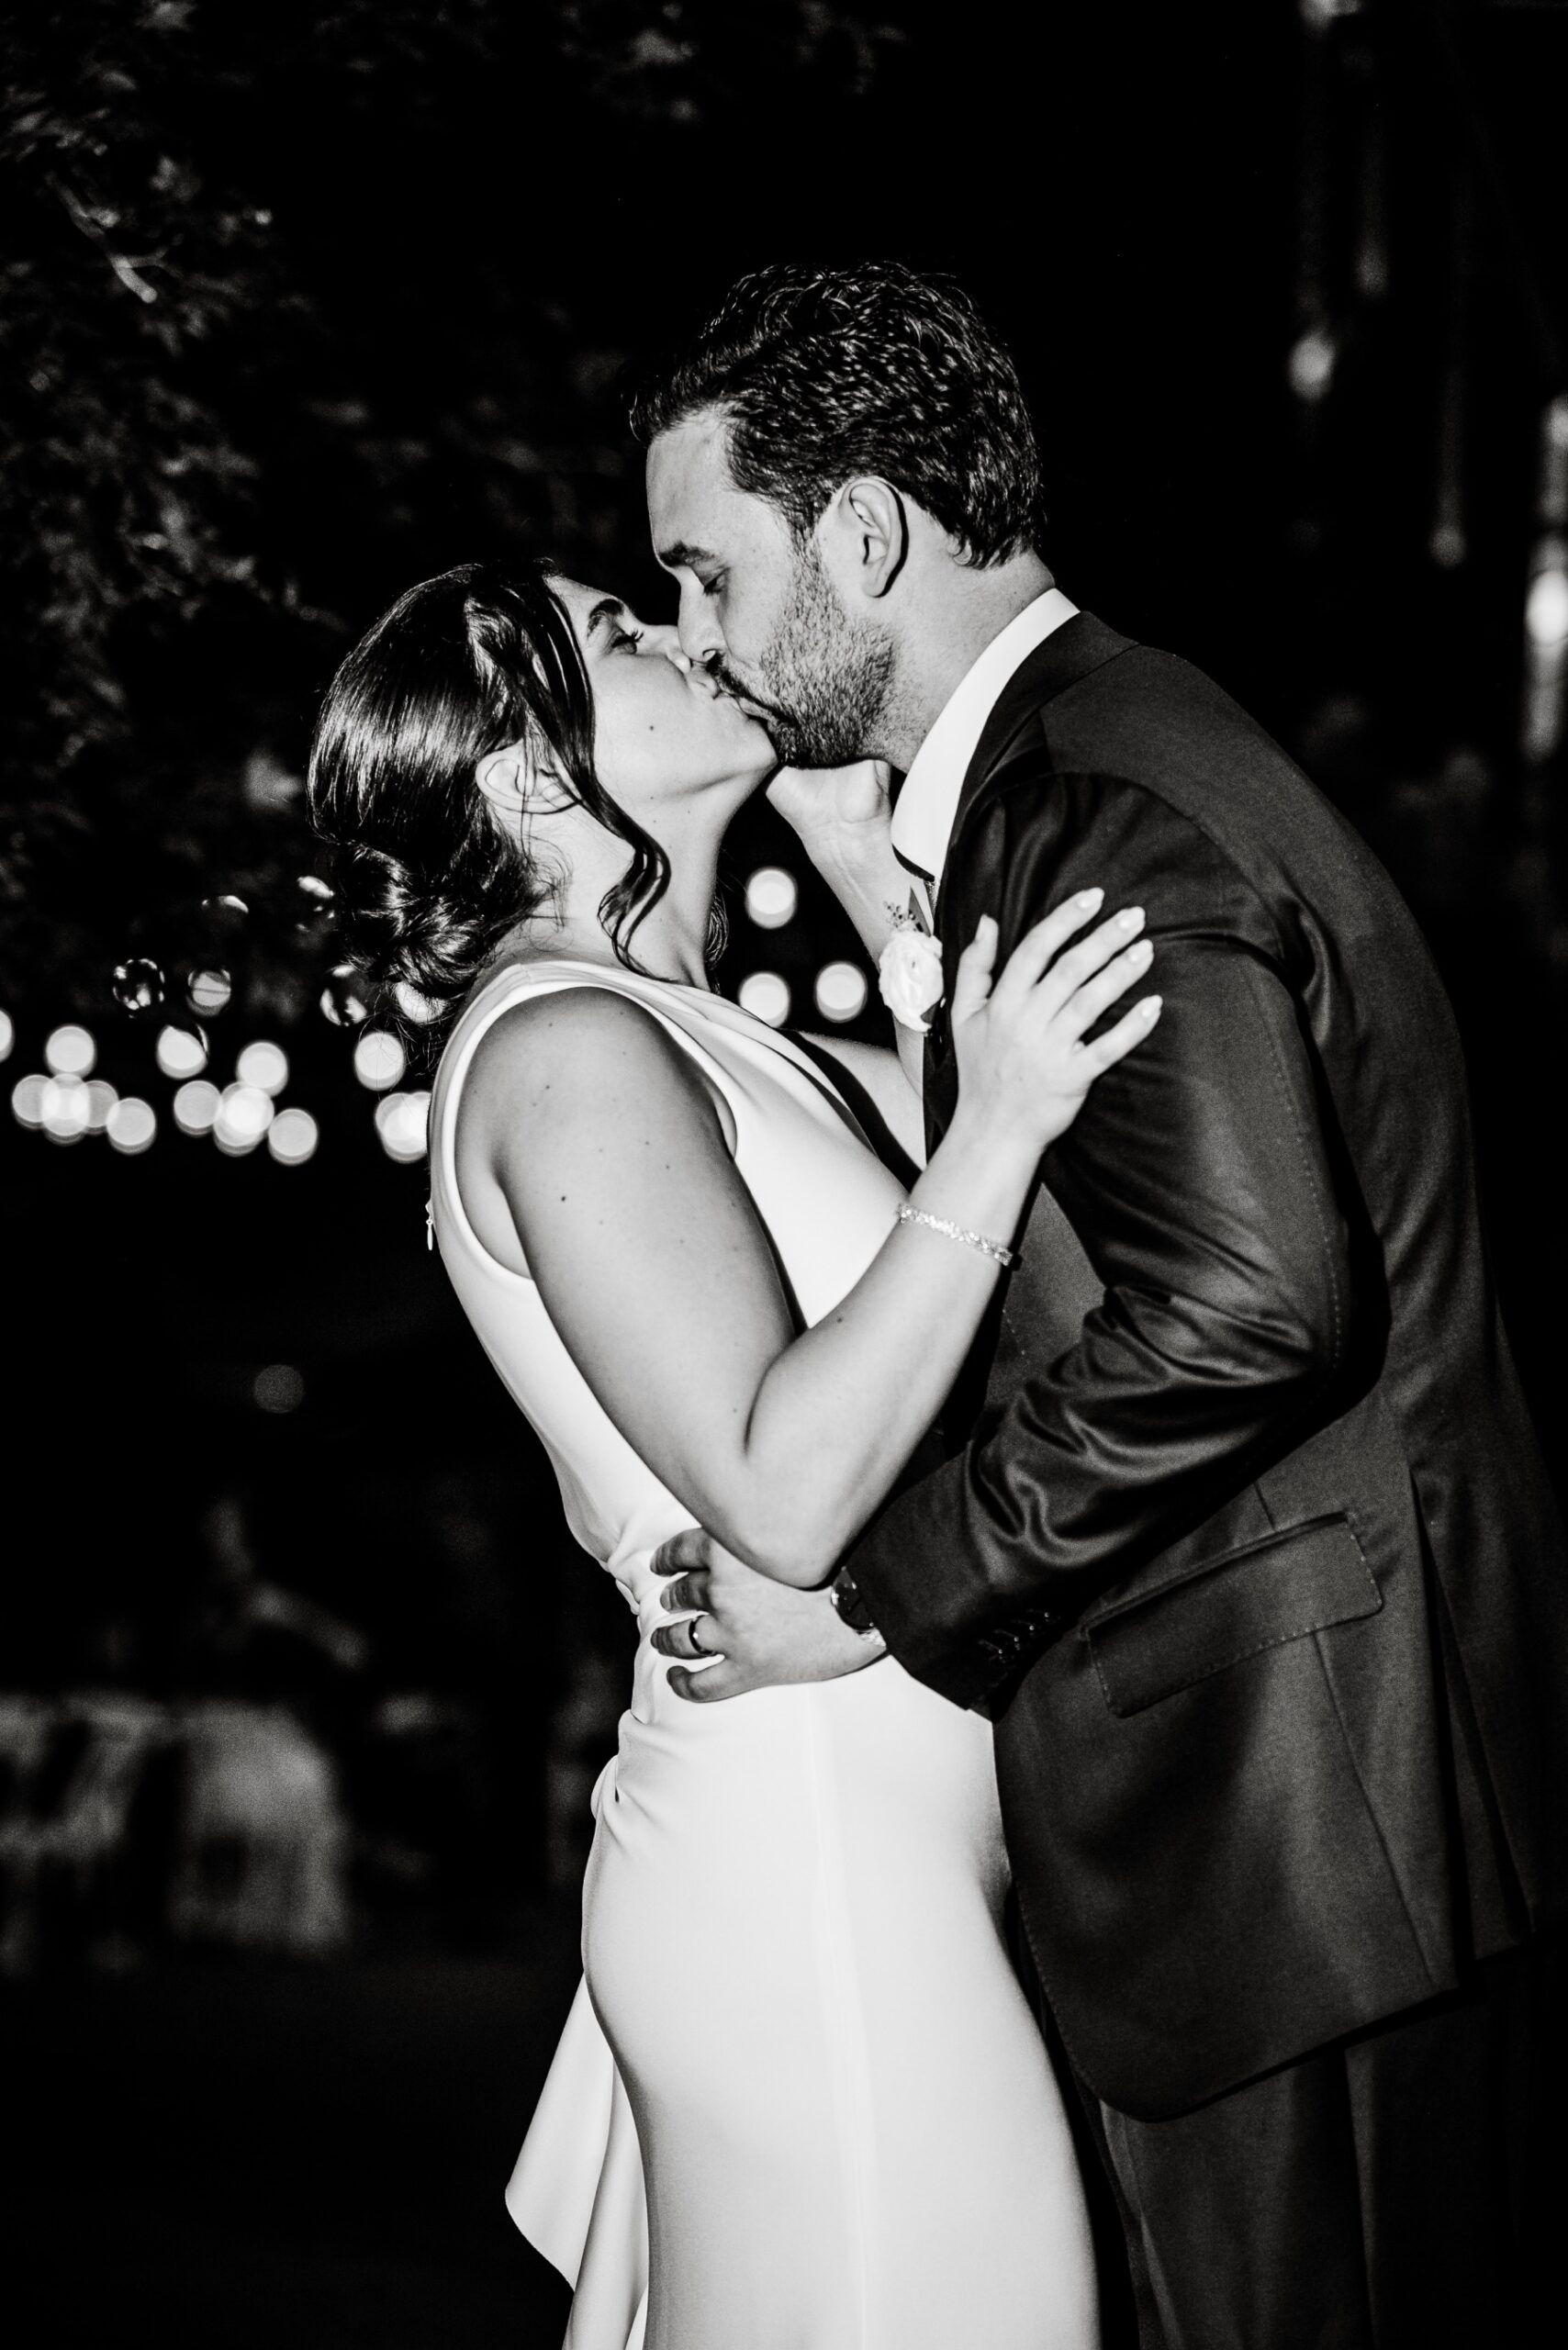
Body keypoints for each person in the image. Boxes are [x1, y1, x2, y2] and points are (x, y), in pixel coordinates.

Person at [633, 260, 1568, 2348]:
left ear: (860, 532)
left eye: (703, 574)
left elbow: (1243, 1303)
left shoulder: (1094, 810)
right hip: (1324, 1799)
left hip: (1307, 1830)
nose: (695, 638)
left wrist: (870, 1591)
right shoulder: (1093, 753)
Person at [308, 556, 1163, 2349]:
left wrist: (861, 864)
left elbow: (983, 1164)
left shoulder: (702, 1030)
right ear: (528, 774)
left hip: (878, 1845)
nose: (684, 632)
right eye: (620, 633)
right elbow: (777, 1485)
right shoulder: (558, 1045)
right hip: (807, 1871)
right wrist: (994, 1132)